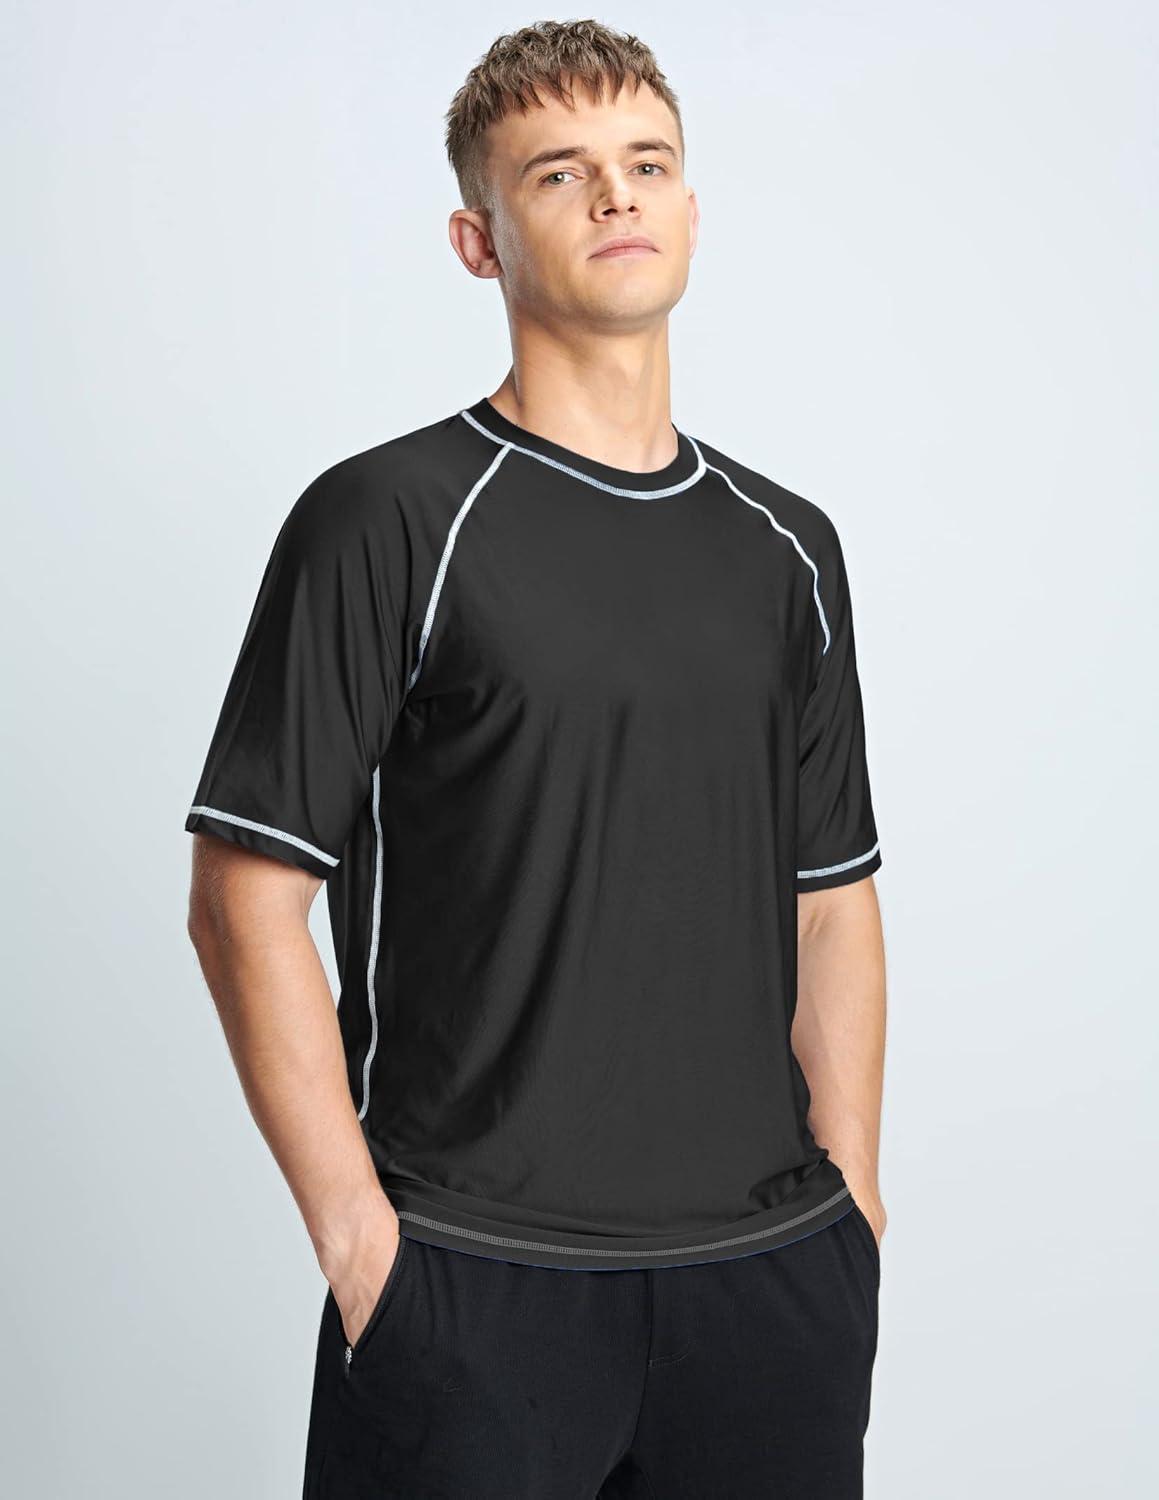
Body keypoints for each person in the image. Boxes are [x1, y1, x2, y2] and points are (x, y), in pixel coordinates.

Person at [184, 18, 888, 1499]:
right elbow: (244, 898)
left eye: (648, 163)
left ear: (691, 206)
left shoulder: (788, 548)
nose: (617, 195)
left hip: (770, 1290)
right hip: (474, 1286)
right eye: (560, 173)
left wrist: (853, 1213)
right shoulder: (389, 520)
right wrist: (363, 1246)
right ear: (478, 241)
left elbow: (832, 899)